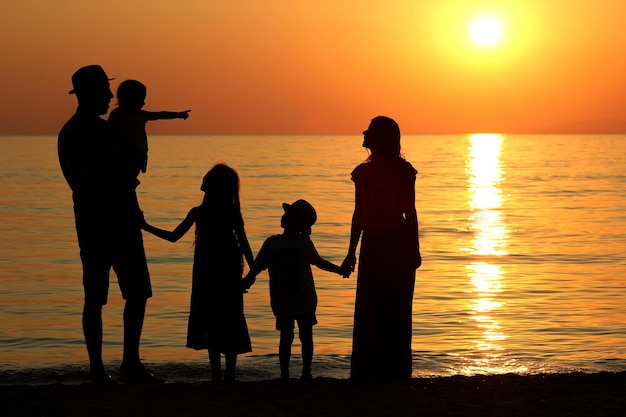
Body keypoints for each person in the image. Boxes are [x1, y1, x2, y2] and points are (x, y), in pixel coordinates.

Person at [58, 65, 162, 385]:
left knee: (137, 292)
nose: (109, 97)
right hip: (95, 226)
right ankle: (97, 369)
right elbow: (85, 182)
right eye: (104, 92)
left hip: (123, 220)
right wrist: (120, 182)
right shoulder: (73, 133)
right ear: (89, 94)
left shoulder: (107, 130)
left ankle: (130, 362)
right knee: (96, 297)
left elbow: (125, 174)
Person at [142, 164, 254, 383]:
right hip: (226, 272)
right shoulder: (228, 212)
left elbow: (174, 236)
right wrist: (252, 274)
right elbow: (245, 246)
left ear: (214, 185)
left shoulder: (202, 212)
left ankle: (218, 376)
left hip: (210, 273)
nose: (203, 180)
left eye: (208, 177)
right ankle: (227, 375)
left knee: (213, 321)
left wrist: (146, 226)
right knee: (229, 319)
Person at [341, 116, 422, 381]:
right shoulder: (370, 172)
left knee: (383, 306)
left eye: (370, 130)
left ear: (379, 138)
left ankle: (379, 369)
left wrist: (414, 249)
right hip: (383, 244)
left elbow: (409, 212)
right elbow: (360, 215)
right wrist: (351, 251)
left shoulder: (398, 171)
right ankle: (389, 369)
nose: (363, 133)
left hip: (387, 245)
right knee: (385, 306)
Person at [243, 200, 344, 381]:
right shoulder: (282, 243)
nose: (283, 217)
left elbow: (319, 262)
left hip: (291, 298)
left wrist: (339, 270)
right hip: (295, 298)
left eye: (288, 215)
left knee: (295, 336)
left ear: (295, 222)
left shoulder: (278, 243)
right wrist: (245, 282)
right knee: (294, 336)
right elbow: (257, 268)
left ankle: (299, 373)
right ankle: (292, 373)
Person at [108, 79, 190, 175]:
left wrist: (178, 115)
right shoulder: (117, 116)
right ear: (130, 98)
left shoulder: (139, 115)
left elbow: (160, 115)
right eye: (141, 99)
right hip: (121, 163)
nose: (143, 103)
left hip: (136, 162)